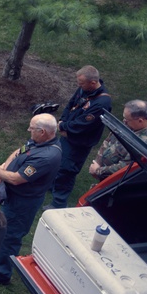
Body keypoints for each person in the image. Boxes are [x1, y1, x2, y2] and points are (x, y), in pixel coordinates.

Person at [0, 113, 62, 285]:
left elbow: (17, 179)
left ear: (43, 131)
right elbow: (19, 152)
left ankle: (1, 274)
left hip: (21, 204)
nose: (28, 130)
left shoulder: (46, 157)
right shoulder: (39, 142)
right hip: (14, 198)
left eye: (31, 128)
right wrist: (4, 167)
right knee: (3, 230)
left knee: (10, 237)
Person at [49, 65, 112, 207]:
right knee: (58, 162)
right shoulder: (85, 89)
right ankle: (51, 185)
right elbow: (71, 104)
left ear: (93, 83)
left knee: (67, 170)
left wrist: (63, 127)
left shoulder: (102, 103)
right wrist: (62, 121)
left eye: (81, 83)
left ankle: (58, 203)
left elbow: (83, 124)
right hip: (68, 135)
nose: (79, 86)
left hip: (79, 143)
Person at [89, 99, 147, 181]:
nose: (124, 122)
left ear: (140, 120)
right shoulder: (133, 125)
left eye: (127, 120)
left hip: (113, 182)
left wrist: (98, 171)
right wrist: (98, 162)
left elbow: (125, 167)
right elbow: (110, 138)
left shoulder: (146, 144)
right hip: (102, 174)